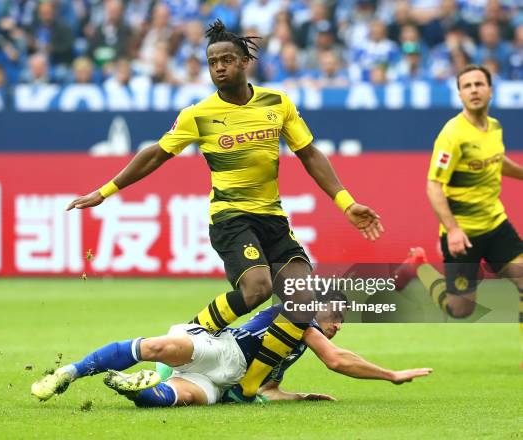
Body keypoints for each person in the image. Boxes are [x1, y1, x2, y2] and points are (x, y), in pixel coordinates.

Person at [66, 20, 384, 402]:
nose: (219, 67)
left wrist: (346, 203)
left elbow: (310, 154)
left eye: (227, 59)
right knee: (258, 289)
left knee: (302, 299)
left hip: (272, 218)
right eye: (212, 61)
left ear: (245, 61)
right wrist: (105, 191)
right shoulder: (198, 115)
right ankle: (191, 331)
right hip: (230, 218)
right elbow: (155, 154)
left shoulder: (277, 103)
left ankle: (252, 386)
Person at [31, 291, 432, 406]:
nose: (336, 323)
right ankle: (69, 373)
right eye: (334, 315)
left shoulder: (292, 350)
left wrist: (299, 397)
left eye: (341, 320)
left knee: (168, 399)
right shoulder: (297, 318)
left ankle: (130, 384)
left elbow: (267, 391)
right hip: (218, 350)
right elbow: (338, 360)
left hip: (223, 384)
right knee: (154, 345)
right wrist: (391, 375)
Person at [397, 65, 523, 364]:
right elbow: (433, 185)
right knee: (460, 309)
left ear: (490, 90)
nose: (474, 90)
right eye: (467, 86)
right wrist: (452, 229)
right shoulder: (453, 134)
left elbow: (495, 160)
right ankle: (419, 268)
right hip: (463, 233)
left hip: (496, 224)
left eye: (479, 84)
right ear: (460, 94)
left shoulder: (493, 127)